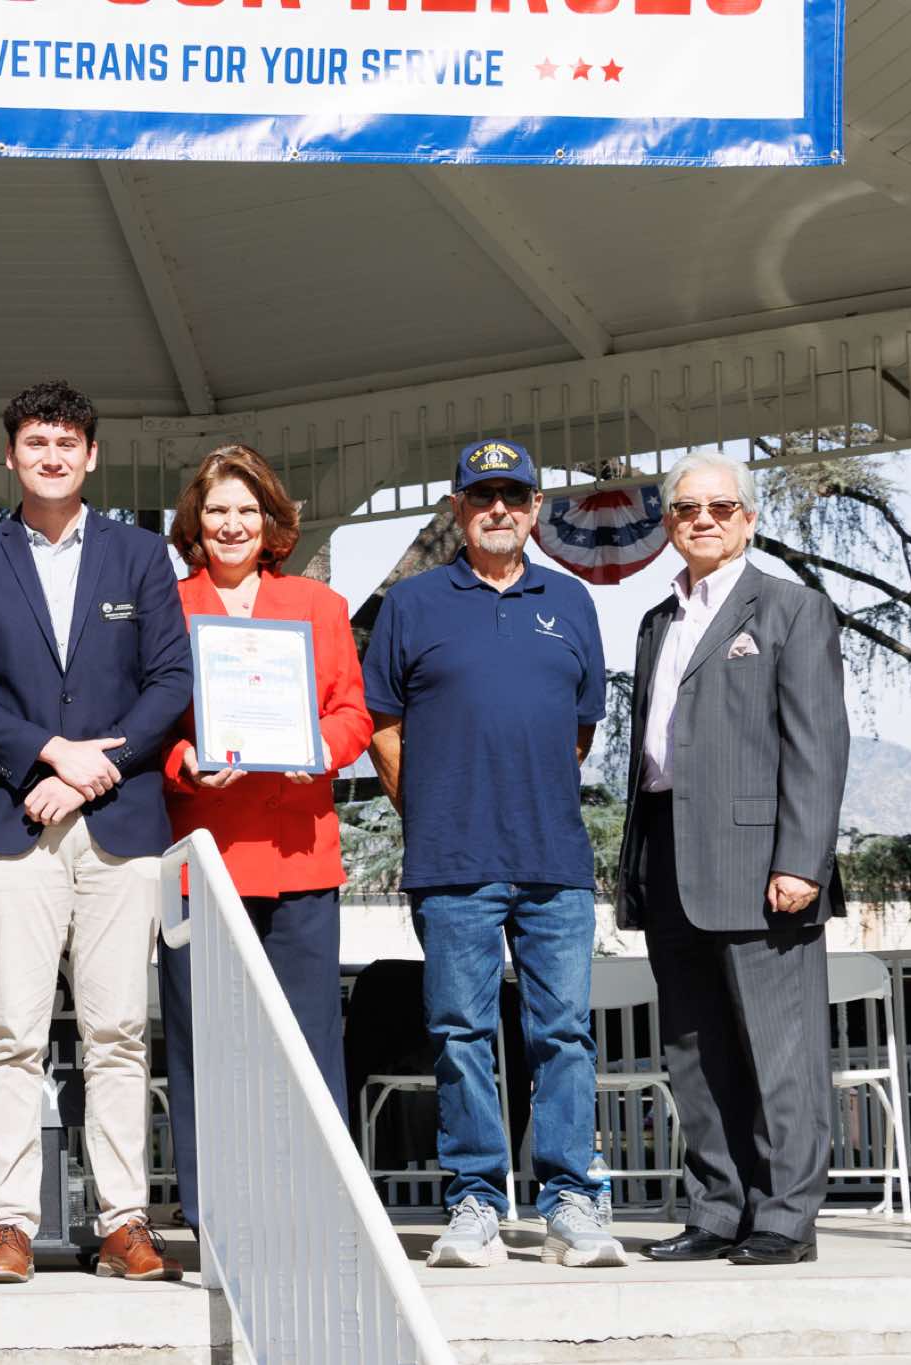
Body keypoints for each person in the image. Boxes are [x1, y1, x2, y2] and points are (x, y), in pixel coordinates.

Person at [0, 379, 192, 1284]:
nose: (51, 456)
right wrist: (48, 754)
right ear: (11, 455)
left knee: (119, 1029)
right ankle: (8, 1221)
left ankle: (124, 1220)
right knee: (12, 1027)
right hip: (14, 822)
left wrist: (91, 770)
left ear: (91, 455)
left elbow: (169, 680)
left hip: (121, 824)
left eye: (67, 442)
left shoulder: (141, 554)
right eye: (36, 442)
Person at [362, 437, 627, 1270]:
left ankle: (571, 1201)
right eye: (483, 496)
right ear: (458, 508)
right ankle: (475, 1199)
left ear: (537, 508)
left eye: (514, 495)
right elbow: (382, 728)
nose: (499, 509)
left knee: (564, 1034)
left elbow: (579, 731)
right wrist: (433, 810)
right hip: (453, 863)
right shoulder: (412, 605)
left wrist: (521, 792)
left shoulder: (572, 600)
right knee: (459, 1032)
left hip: (554, 860)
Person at [620, 452, 849, 1268]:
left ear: (748, 519)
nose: (704, 519)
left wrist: (803, 860)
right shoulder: (657, 620)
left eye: (721, 507)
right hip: (668, 854)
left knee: (780, 1051)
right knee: (695, 1050)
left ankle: (786, 1216)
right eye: (687, 508)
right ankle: (718, 1208)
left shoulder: (793, 608)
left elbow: (818, 745)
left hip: (764, 865)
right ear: (669, 523)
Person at [157, 445, 372, 1231]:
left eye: (247, 510)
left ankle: (316, 1202)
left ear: (272, 520)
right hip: (204, 856)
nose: (232, 524)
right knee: (205, 1040)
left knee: (308, 1040)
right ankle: (214, 1208)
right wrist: (183, 760)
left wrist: (316, 746)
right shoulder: (166, 606)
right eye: (217, 509)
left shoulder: (319, 604)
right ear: (195, 521)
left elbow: (352, 714)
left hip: (298, 854)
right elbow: (145, 722)